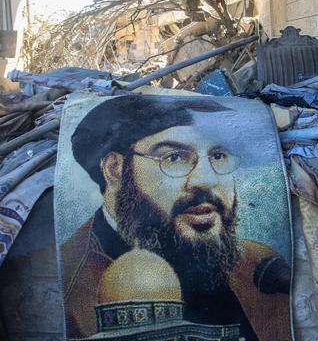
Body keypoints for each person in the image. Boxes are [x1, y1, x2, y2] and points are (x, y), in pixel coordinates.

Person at [61, 95, 291, 340]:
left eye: (218, 156)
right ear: (114, 169)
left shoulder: (261, 267)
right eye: (174, 157)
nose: (206, 180)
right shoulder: (64, 283)